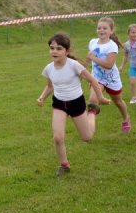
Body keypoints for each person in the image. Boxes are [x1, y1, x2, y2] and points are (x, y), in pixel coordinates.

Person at [37, 33, 105, 177]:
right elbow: (50, 86)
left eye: (59, 48)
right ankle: (64, 165)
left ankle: (92, 112)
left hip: (76, 103)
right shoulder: (49, 68)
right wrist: (42, 97)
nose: (54, 51)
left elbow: (93, 81)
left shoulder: (74, 65)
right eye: (52, 48)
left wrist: (100, 97)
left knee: (87, 137)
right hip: (59, 104)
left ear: (67, 51)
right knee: (58, 137)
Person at [87, 17, 129, 133]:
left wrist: (93, 58)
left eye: (105, 28)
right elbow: (90, 58)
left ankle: (126, 118)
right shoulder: (92, 42)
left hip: (111, 79)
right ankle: (89, 127)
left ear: (111, 31)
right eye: (99, 28)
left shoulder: (112, 46)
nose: (101, 30)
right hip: (97, 78)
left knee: (118, 102)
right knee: (92, 101)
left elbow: (109, 65)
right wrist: (82, 69)